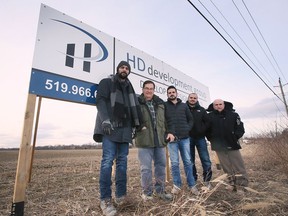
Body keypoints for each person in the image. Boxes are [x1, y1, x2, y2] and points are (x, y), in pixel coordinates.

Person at [93, 61, 142, 216]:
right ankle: (105, 200)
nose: (124, 69)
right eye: (122, 67)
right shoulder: (107, 82)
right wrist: (105, 119)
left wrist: (134, 126)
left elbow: (134, 109)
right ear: (117, 69)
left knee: (122, 163)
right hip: (110, 127)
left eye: (127, 68)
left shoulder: (129, 88)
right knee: (107, 161)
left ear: (129, 71)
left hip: (125, 129)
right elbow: (100, 100)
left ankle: (121, 196)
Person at [134, 80, 174, 201]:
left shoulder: (160, 103)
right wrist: (139, 128)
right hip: (144, 140)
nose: (149, 90)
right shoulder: (137, 102)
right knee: (145, 168)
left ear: (154, 90)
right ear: (143, 89)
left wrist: (170, 132)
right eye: (147, 88)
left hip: (159, 140)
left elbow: (168, 120)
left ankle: (160, 191)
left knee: (161, 166)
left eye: (151, 88)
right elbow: (132, 118)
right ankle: (147, 193)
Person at [206, 99, 248, 191]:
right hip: (219, 146)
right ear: (213, 106)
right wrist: (212, 139)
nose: (218, 106)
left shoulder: (233, 115)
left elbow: (240, 128)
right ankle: (231, 184)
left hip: (232, 144)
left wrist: (235, 137)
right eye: (216, 105)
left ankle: (241, 186)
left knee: (238, 165)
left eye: (220, 104)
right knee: (226, 166)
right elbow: (207, 130)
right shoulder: (209, 116)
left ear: (224, 105)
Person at [165, 86, 199, 196]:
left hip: (185, 139)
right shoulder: (164, 106)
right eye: (169, 92)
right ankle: (177, 185)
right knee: (174, 163)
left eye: (173, 92)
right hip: (172, 140)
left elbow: (191, 120)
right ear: (167, 94)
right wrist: (167, 134)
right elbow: (163, 122)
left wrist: (187, 129)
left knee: (188, 162)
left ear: (176, 93)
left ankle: (192, 185)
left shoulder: (184, 106)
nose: (171, 94)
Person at [186, 93, 212, 189]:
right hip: (188, 138)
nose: (193, 99)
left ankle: (207, 180)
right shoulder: (184, 109)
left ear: (197, 99)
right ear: (188, 98)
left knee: (205, 160)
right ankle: (193, 180)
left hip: (200, 138)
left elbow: (208, 122)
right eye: (191, 98)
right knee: (190, 160)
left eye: (194, 98)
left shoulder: (201, 110)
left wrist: (202, 129)